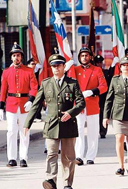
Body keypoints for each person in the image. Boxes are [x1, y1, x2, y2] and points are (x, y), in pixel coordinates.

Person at [24, 54, 85, 189]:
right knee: (51, 154)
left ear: (64, 67)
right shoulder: (46, 83)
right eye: (54, 66)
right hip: (51, 125)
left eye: (58, 65)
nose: (56, 68)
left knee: (68, 157)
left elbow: (81, 103)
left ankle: (67, 183)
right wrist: (27, 123)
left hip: (68, 124)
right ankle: (51, 180)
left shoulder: (72, 83)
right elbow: (36, 104)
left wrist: (70, 113)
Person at [0, 43, 38, 168]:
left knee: (24, 132)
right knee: (11, 132)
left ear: (21, 57)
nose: (16, 58)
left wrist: (31, 100)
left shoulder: (29, 71)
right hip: (11, 104)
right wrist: (1, 106)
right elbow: (3, 89)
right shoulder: (6, 72)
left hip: (24, 104)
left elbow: (34, 87)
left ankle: (23, 158)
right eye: (14, 55)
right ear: (11, 57)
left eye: (18, 55)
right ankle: (11, 158)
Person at [74, 47, 108, 165]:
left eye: (86, 55)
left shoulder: (97, 70)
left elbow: (104, 86)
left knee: (93, 131)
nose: (84, 58)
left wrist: (92, 91)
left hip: (92, 103)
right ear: (79, 57)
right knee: (78, 131)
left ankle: (91, 156)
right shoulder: (75, 69)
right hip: (78, 105)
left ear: (90, 57)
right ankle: (79, 155)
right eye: (82, 56)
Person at [94, 54, 114, 139]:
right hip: (94, 96)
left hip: (103, 96)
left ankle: (103, 131)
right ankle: (95, 130)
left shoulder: (106, 72)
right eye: (97, 63)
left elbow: (110, 81)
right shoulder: (93, 72)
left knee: (103, 114)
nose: (99, 64)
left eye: (100, 62)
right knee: (95, 115)